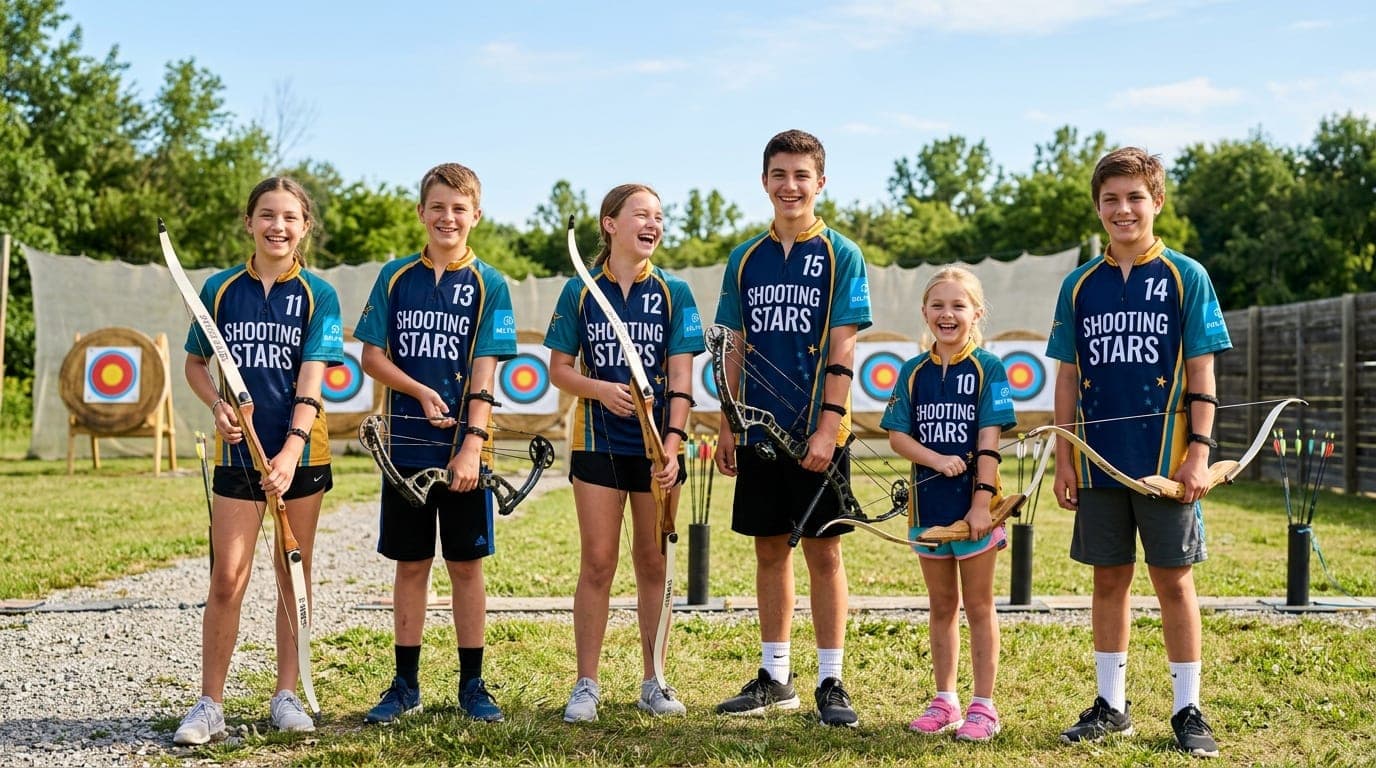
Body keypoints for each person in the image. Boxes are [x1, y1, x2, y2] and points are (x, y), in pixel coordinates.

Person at [1047, 147, 1232, 758]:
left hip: (1167, 463)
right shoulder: (1078, 285)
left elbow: (1202, 374)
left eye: (1134, 197)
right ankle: (1111, 705)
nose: (1122, 209)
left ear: (1156, 202)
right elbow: (1068, 378)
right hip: (1098, 460)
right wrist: (1066, 456)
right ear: (1098, 208)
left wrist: (1198, 453)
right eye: (1110, 200)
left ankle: (1188, 709)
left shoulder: (1187, 275)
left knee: (1174, 583)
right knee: (1109, 581)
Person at [173, 177, 345, 745]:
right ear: (249, 223)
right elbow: (197, 364)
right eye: (267, 215)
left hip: (301, 453)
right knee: (228, 576)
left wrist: (292, 449)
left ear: (305, 227)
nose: (278, 226)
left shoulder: (319, 294)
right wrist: (217, 404)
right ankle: (210, 704)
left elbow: (313, 377)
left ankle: (286, 693)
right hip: (238, 453)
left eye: (290, 217)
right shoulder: (220, 289)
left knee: (291, 575)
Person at [712, 129, 871, 727]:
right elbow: (733, 345)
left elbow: (842, 348)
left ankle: (831, 678)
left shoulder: (840, 253)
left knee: (824, 554)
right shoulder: (746, 258)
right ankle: (775, 676)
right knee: (769, 551)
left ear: (820, 182)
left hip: (818, 432)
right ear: (764, 181)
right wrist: (729, 420)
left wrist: (827, 429)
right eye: (780, 174)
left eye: (802, 175)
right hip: (758, 429)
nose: (790, 186)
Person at [354, 162, 517, 725]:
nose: (448, 217)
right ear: (421, 212)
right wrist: (420, 390)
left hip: (467, 452)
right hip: (406, 449)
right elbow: (372, 356)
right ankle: (405, 683)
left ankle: (473, 684)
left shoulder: (489, 283)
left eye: (459, 208)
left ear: (476, 215)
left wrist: (472, 445)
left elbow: (485, 368)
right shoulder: (396, 277)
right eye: (438, 206)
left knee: (467, 565)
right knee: (411, 563)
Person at [544, 183, 704, 722]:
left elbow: (682, 377)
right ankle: (586, 684)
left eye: (659, 215)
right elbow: (559, 369)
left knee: (654, 562)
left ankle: (654, 678)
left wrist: (674, 446)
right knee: (597, 562)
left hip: (658, 447)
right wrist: (600, 390)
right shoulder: (581, 290)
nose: (653, 223)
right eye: (641, 214)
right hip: (596, 443)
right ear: (610, 224)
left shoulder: (674, 292)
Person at [880, 266, 1016, 742]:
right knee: (941, 606)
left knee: (978, 606)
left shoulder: (988, 369)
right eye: (938, 305)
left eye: (958, 306)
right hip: (928, 512)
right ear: (924, 312)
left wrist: (980, 505)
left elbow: (989, 442)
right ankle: (945, 700)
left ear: (976, 313)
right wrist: (936, 459)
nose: (947, 314)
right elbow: (898, 435)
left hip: (974, 512)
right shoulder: (912, 372)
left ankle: (984, 706)